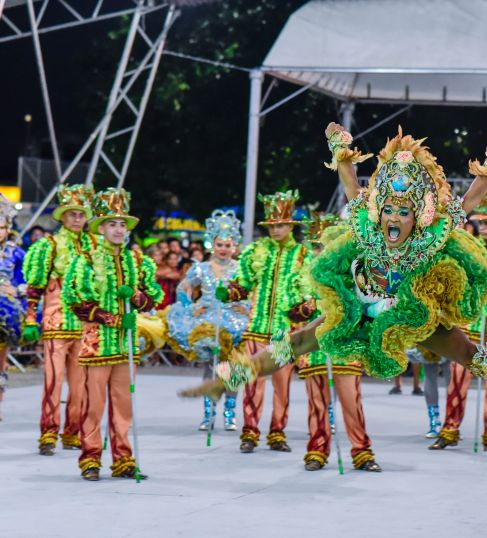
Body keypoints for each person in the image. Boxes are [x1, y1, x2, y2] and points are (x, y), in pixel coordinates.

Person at [181, 115, 487, 432]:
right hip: (357, 307)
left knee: (473, 354)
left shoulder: (428, 237)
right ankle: (227, 382)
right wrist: (341, 151)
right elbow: (351, 185)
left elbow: (467, 204)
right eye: (388, 209)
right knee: (297, 341)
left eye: (404, 212)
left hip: (410, 313)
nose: (394, 217)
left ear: (416, 215)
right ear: (379, 210)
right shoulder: (368, 227)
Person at [63, 188, 163, 481]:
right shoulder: (86, 259)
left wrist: (136, 296)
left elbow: (152, 297)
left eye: (122, 224)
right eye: (112, 224)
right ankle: (90, 459)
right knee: (92, 405)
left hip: (125, 346)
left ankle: (123, 460)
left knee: (124, 405)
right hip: (97, 344)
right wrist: (116, 319)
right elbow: (78, 301)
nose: (118, 229)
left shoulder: (138, 261)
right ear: (102, 228)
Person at [216, 190, 315, 454]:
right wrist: (230, 291)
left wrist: (304, 309)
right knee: (251, 382)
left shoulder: (303, 256)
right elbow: (244, 284)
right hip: (255, 329)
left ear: (291, 226)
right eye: (271, 226)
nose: (275, 230)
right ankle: (249, 432)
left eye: (280, 225)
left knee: (282, 385)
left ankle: (277, 433)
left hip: (284, 334)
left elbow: (309, 294)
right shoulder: (255, 252)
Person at [430, 187, 487, 452]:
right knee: (457, 378)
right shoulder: (471, 247)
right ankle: (450, 429)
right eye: (481, 222)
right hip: (469, 323)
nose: (483, 226)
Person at [296, 212, 380, 471]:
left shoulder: (354, 271)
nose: (325, 250)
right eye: (321, 245)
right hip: (315, 347)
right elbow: (297, 302)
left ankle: (362, 451)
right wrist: (303, 308)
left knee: (351, 400)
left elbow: (368, 302)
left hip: (345, 346)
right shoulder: (307, 272)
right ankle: (317, 451)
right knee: (317, 401)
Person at [22, 184, 96, 454]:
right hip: (55, 323)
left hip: (86, 325)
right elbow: (35, 286)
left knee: (81, 386)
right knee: (52, 382)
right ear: (62, 216)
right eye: (71, 213)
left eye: (81, 214)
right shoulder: (48, 246)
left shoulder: (96, 246)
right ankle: (48, 433)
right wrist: (31, 317)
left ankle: (72, 432)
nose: (77, 218)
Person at [166, 210, 249, 431]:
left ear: (235, 246)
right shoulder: (201, 269)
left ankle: (230, 413)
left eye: (228, 244)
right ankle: (208, 413)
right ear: (212, 244)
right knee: (211, 368)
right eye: (219, 244)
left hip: (236, 322)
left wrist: (246, 305)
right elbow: (183, 288)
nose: (223, 249)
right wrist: (191, 306)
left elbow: (252, 292)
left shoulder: (241, 269)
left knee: (234, 369)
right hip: (208, 323)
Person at [0, 195, 25, 421]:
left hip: (5, 315)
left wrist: (16, 291)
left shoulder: (14, 253)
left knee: (1, 360)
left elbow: (25, 282)